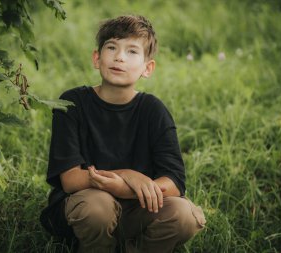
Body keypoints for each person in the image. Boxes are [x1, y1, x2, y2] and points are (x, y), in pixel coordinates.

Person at [40, 15, 206, 253]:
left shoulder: (153, 110)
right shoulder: (72, 103)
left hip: (135, 211)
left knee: (184, 214)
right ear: (97, 58)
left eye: (132, 51)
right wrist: (127, 175)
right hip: (86, 206)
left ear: (147, 68)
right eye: (111, 47)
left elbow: (174, 182)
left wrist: (124, 188)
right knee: (98, 206)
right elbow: (70, 179)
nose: (119, 57)